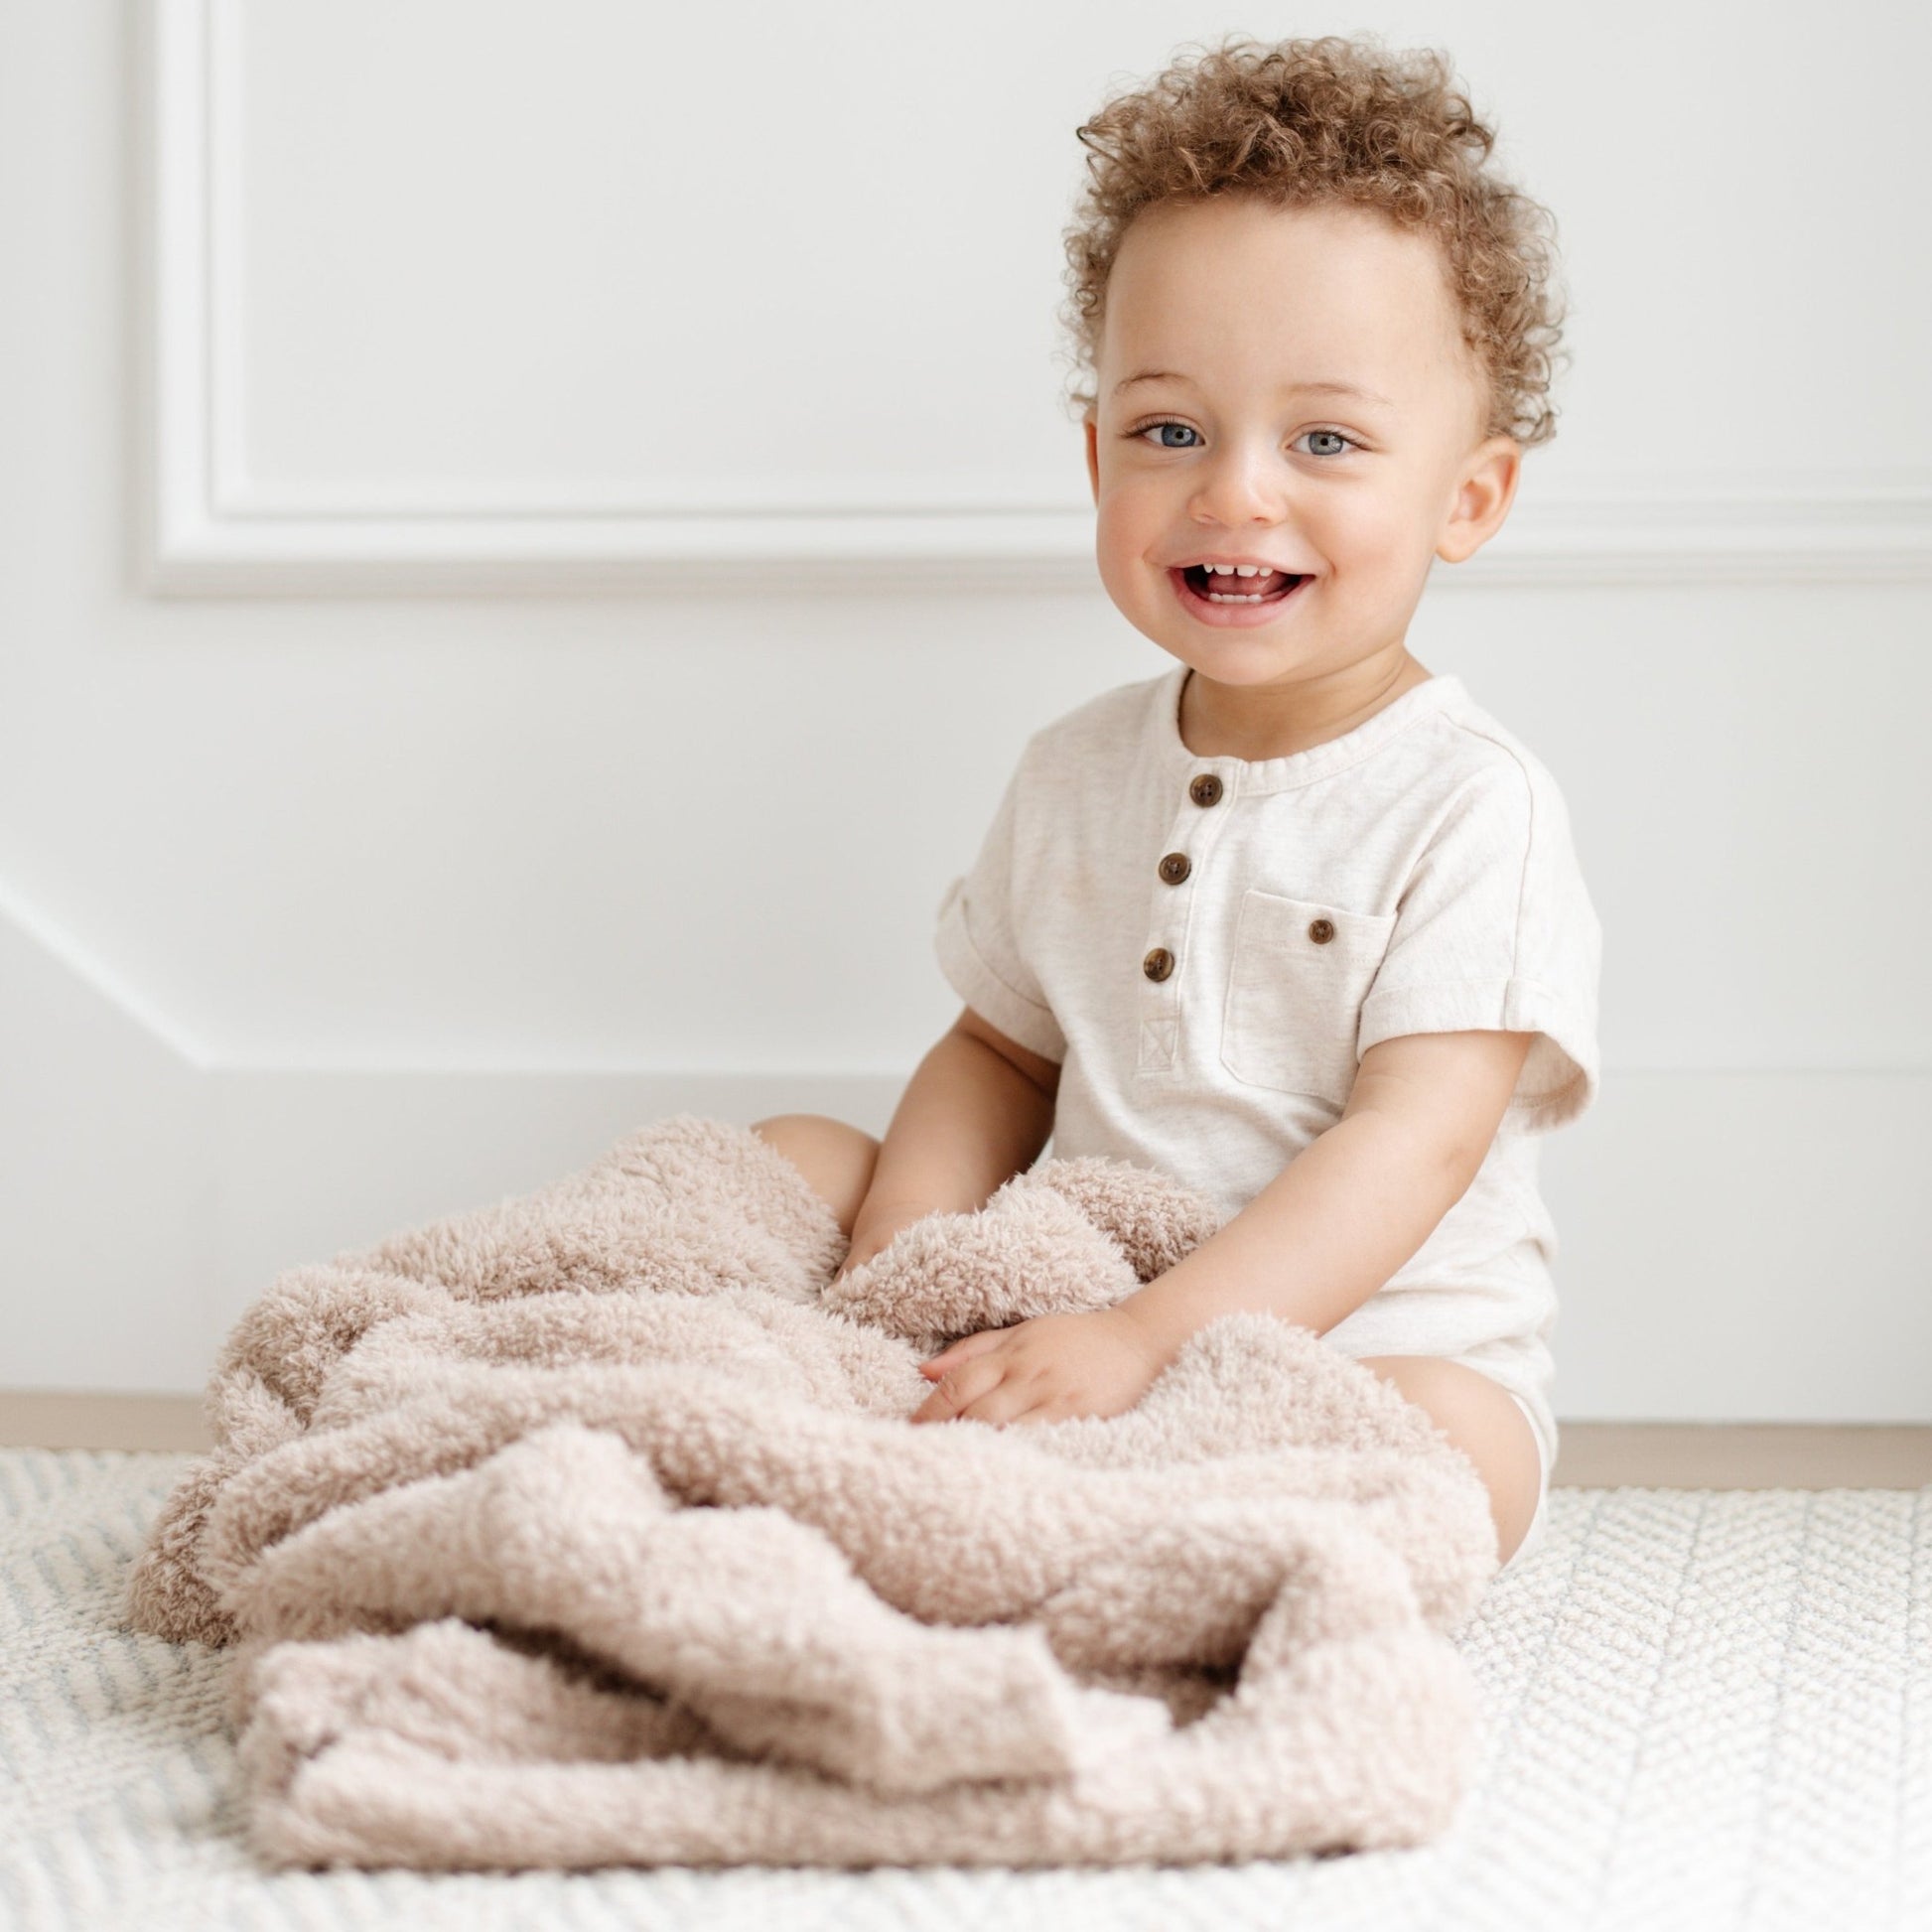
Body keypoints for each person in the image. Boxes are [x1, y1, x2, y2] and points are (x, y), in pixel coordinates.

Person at [751, 34, 1601, 1575]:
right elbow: (998, 1052)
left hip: (1349, 1344)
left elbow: (1408, 1148)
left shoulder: (1472, 809)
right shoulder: (1074, 768)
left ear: (1465, 497)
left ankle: (1119, 1539)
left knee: (1446, 1443)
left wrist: (1152, 1341)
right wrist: (907, 1261)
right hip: (1079, 1296)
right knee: (794, 1156)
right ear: (1096, 460)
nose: (1233, 492)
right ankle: (913, 1443)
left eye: (1324, 440)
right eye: (1168, 432)